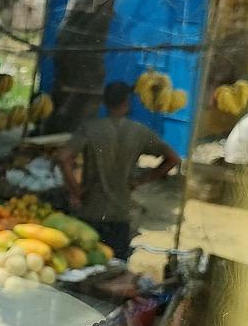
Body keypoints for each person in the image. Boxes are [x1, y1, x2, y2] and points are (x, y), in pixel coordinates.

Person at [58, 81, 180, 260]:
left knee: (86, 264)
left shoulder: (90, 128)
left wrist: (75, 191)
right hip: (120, 213)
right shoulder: (139, 131)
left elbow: (63, 158)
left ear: (104, 103)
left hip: (91, 211)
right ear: (126, 103)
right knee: (116, 267)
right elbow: (173, 159)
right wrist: (141, 180)